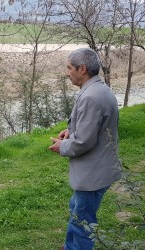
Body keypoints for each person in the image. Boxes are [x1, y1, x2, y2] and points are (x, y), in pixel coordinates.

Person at [48, 47, 122, 250]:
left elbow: (84, 142)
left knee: (82, 222)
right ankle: (70, 246)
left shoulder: (90, 96)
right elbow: (94, 127)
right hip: (97, 169)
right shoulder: (99, 89)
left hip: (93, 174)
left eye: (69, 67)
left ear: (82, 69)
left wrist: (62, 145)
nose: (67, 72)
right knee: (77, 209)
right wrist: (70, 130)